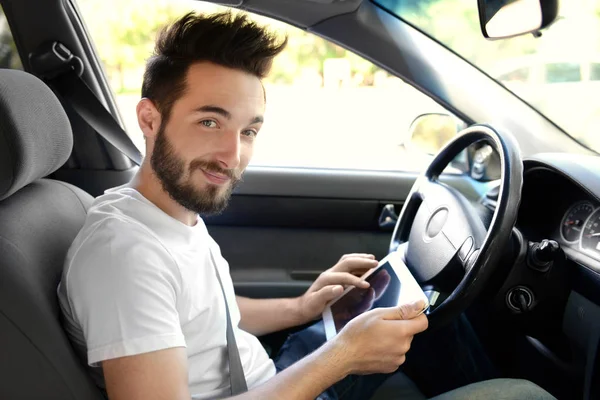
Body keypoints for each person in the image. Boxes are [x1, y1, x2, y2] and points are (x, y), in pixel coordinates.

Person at [57, 11, 556, 400]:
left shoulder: (167, 213)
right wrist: (341, 356)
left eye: (248, 130)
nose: (233, 156)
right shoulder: (124, 255)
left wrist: (304, 307)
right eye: (210, 122)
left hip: (272, 370)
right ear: (149, 118)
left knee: (424, 312)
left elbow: (207, 316)